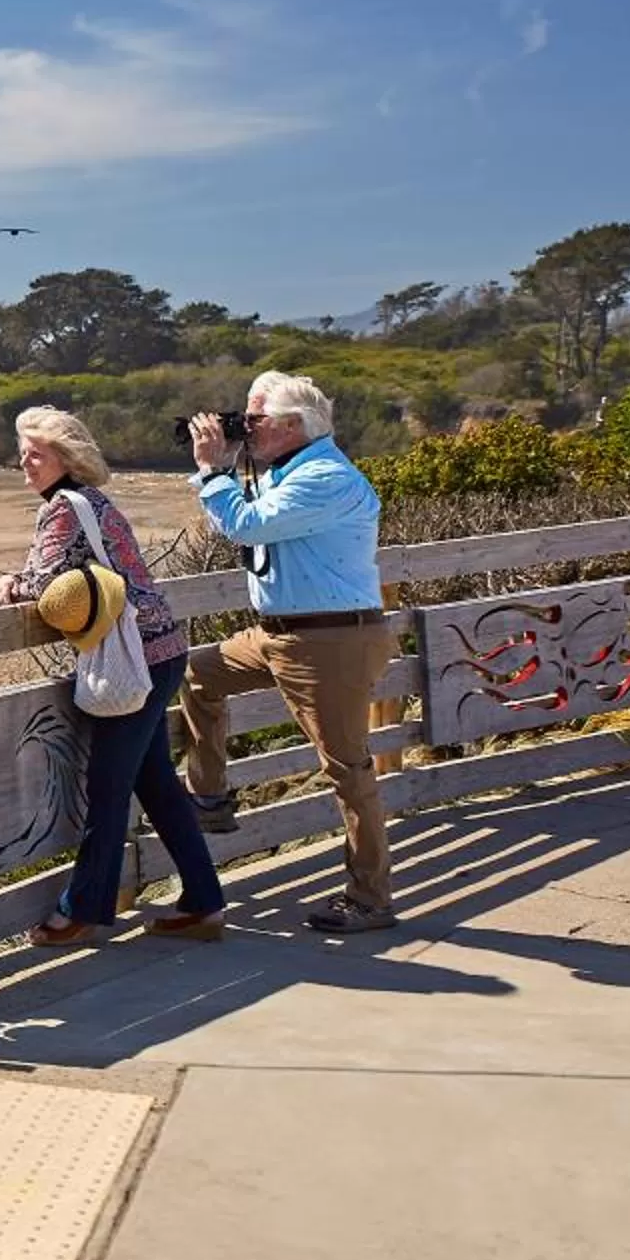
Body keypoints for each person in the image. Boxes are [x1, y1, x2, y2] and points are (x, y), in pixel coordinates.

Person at [0, 406, 228, 946]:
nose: (24, 463)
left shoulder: (63, 510)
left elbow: (48, 589)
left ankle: (84, 909)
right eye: (22, 452)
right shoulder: (93, 502)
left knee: (108, 786)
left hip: (136, 657)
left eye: (36, 454)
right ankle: (204, 901)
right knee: (155, 784)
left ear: (65, 459)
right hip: (162, 652)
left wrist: (10, 583)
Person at [175, 372, 396, 933]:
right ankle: (210, 796)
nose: (244, 430)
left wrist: (211, 469)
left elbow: (247, 527)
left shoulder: (323, 477)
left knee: (347, 769)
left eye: (254, 421)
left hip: (329, 641)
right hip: (280, 633)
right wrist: (226, 467)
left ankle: (370, 898)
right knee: (198, 674)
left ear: (292, 426)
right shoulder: (285, 472)